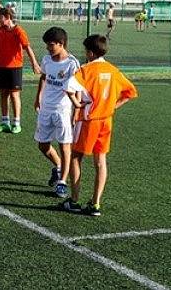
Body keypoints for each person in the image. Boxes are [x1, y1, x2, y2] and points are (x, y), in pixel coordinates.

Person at [62, 35, 138, 216]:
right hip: (106, 119)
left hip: (89, 120)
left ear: (90, 52)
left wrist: (77, 104)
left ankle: (74, 200)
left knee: (75, 157)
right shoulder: (113, 70)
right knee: (100, 160)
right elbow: (130, 92)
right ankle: (95, 203)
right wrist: (113, 106)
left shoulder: (86, 70)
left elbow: (68, 87)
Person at [34, 26, 81, 198]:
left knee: (64, 146)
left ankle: (62, 182)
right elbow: (44, 77)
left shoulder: (71, 63)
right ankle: (59, 166)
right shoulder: (47, 60)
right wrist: (38, 96)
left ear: (61, 44)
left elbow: (77, 88)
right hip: (46, 108)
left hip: (62, 110)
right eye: (47, 45)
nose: (48, 48)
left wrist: (76, 111)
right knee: (43, 145)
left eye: (51, 45)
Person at [0, 7, 41, 134]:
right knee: (3, 94)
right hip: (2, 67)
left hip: (15, 67)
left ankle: (16, 123)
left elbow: (27, 48)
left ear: (8, 17)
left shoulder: (19, 31)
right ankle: (5, 122)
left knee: (14, 94)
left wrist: (34, 63)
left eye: (0, 17)